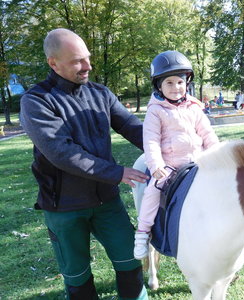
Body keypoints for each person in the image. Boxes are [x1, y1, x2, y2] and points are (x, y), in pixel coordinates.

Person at [19, 28, 149, 300]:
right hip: (64, 207)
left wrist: (168, 149)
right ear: (53, 63)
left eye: (87, 58)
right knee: (77, 278)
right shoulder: (36, 101)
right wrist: (116, 172)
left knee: (130, 261)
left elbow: (131, 126)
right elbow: (61, 152)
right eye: (78, 60)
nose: (88, 66)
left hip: (107, 201)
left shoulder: (100, 93)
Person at [134, 50, 219, 259]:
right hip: (170, 165)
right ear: (159, 86)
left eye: (180, 82)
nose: (176, 87)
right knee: (153, 191)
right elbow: (151, 141)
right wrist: (156, 166)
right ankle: (143, 232)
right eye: (169, 83)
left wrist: (217, 154)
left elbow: (207, 133)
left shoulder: (194, 108)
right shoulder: (155, 111)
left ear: (187, 83)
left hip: (197, 162)